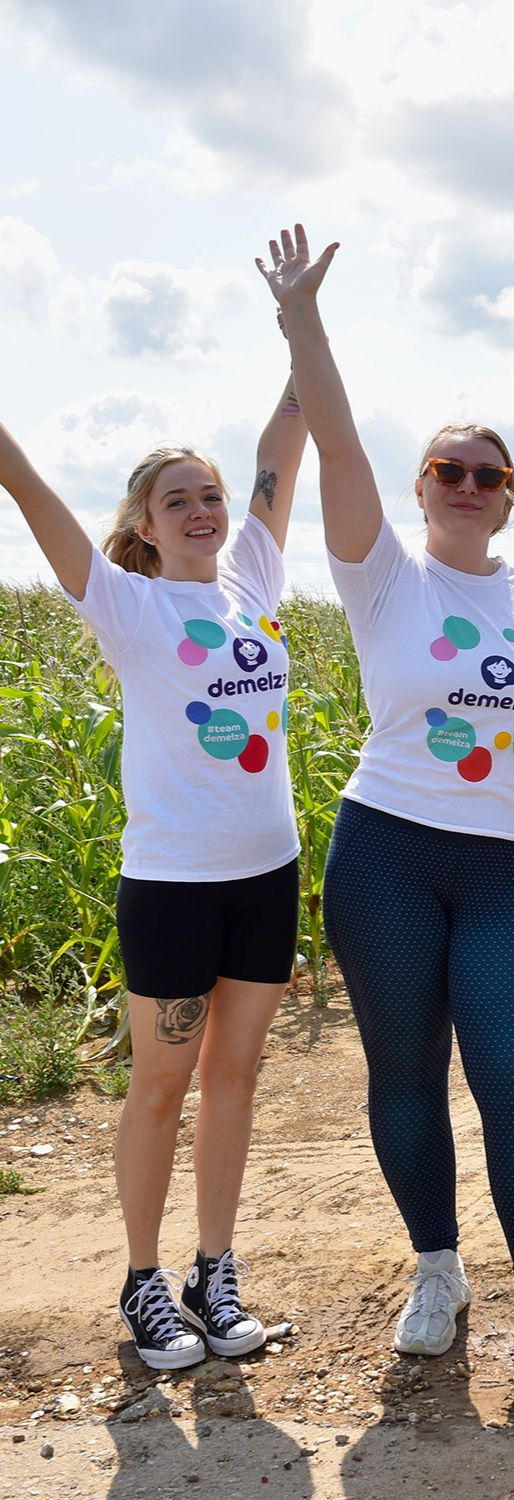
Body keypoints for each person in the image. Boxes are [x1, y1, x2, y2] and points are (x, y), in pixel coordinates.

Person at [259, 226, 514, 1395]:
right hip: (386, 852)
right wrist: (304, 322)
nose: (468, 486)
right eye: (448, 471)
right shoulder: (383, 571)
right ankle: (438, 1268)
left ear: (510, 495)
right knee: (402, 1075)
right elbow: (334, 437)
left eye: (489, 473)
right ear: (421, 489)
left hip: (506, 870)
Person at [0, 355, 308, 1370]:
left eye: (211, 494)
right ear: (143, 523)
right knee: (163, 1084)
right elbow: (30, 489)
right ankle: (142, 1281)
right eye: (178, 500)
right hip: (173, 884)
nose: (202, 510)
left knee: (235, 1078)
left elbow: (285, 443)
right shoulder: (127, 606)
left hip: (267, 876)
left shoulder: (256, 576)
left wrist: (300, 329)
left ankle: (213, 1273)